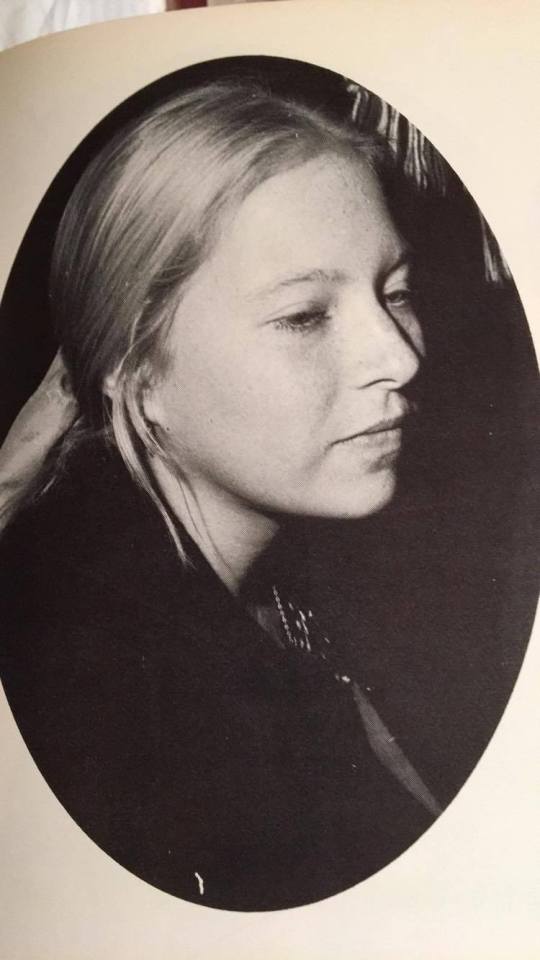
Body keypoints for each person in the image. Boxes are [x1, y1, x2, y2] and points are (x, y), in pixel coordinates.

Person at [0, 77, 442, 911]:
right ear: (139, 372)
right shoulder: (105, 701)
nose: (400, 357)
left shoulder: (272, 590)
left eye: (396, 292)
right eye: (305, 316)